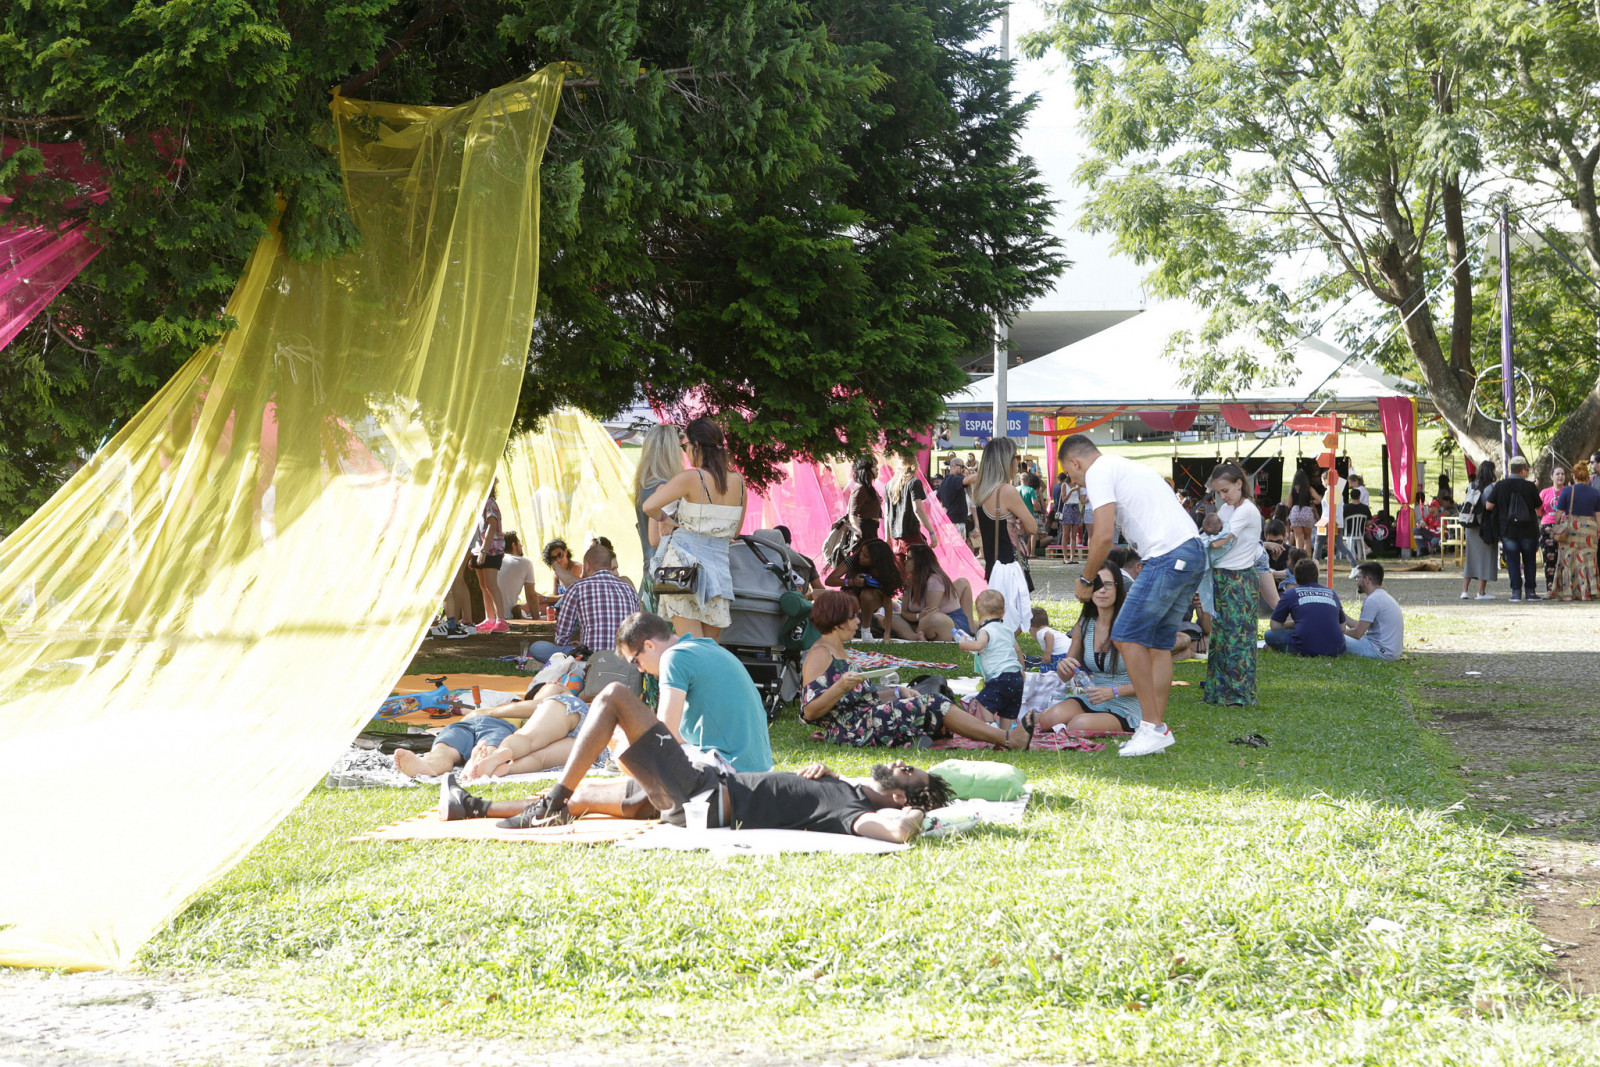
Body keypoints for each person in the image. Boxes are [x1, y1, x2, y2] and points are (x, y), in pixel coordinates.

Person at [1058, 434, 1205, 757]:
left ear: (1075, 462)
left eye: (1071, 476)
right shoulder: (1124, 467)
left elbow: (1104, 535)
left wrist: (1086, 578)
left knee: (1124, 635)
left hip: (1167, 555)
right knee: (1158, 644)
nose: (1076, 483)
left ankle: (1151, 727)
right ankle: (1152, 729)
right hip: (1190, 552)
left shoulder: (1097, 472)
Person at [800, 591, 1030, 750]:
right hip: (850, 729)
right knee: (934, 704)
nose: (857, 622)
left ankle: (913, 737)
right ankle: (1007, 739)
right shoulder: (820, 653)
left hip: (862, 719)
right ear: (838, 620)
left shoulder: (838, 650)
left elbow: (861, 698)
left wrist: (898, 692)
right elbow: (810, 712)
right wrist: (840, 687)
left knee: (931, 701)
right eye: (852, 617)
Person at [615, 611, 773, 771]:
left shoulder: (673, 658)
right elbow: (682, 735)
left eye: (636, 661)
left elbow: (663, 735)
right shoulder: (708, 647)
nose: (640, 669)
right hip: (759, 770)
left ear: (649, 645)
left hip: (730, 771)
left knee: (624, 750)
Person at [642, 417, 747, 639]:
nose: (685, 452)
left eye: (685, 445)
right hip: (718, 570)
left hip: (681, 566)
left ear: (697, 446)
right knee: (709, 648)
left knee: (689, 645)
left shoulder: (692, 477)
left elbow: (649, 506)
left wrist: (665, 520)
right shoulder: (739, 482)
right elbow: (734, 532)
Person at [398, 682, 604, 780]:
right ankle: (497, 767)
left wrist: (491, 711)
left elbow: (537, 704)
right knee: (537, 759)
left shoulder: (555, 693)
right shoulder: (545, 705)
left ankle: (495, 757)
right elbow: (537, 705)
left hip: (501, 726)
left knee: (526, 741)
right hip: (591, 745)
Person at [1037, 566, 1143, 734]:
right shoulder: (1085, 625)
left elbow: (1149, 683)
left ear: (1118, 588)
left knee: (1078, 725)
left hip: (1126, 703)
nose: (1101, 590)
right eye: (1096, 584)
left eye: (1108, 585)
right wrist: (1063, 666)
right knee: (1047, 720)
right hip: (1094, 697)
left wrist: (1113, 692)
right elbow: (1065, 676)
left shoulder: (1130, 627)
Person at [1202, 463, 1261, 707]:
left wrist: (1203, 539)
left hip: (1239, 581)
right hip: (1222, 577)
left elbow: (1219, 540)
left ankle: (1239, 695)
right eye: (1218, 492)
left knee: (1238, 638)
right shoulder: (1227, 508)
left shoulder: (1246, 510)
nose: (1223, 497)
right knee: (1221, 637)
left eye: (1226, 490)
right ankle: (1218, 691)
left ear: (1239, 484)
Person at [527, 541, 642, 663]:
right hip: (625, 662)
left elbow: (561, 639)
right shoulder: (629, 589)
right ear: (610, 566)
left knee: (537, 647)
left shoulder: (577, 588)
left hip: (589, 661)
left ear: (587, 566)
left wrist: (579, 646)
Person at [971, 437, 1036, 632]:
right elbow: (1032, 527)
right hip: (1010, 561)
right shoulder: (1006, 491)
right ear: (1006, 460)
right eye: (1016, 456)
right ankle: (1006, 656)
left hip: (994, 561)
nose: (1018, 461)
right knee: (1013, 620)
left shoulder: (981, 491)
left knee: (999, 617)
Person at [956, 589, 1029, 726]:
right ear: (1003, 612)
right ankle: (1005, 736)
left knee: (983, 702)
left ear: (978, 612)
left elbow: (979, 645)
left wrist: (964, 644)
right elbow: (1018, 651)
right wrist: (1022, 670)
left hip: (999, 676)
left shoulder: (985, 630)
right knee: (1007, 712)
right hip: (1016, 677)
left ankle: (990, 725)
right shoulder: (1007, 630)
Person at [634, 422, 683, 607]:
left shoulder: (644, 485)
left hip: (650, 572)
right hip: (666, 575)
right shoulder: (664, 487)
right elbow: (656, 538)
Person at [1484, 456, 1544, 602]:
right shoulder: (1530, 486)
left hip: (1507, 530)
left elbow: (1488, 506)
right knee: (1529, 560)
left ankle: (1515, 592)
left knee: (1512, 561)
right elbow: (1538, 506)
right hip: (1528, 530)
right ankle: (1530, 592)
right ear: (1523, 469)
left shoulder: (1500, 485)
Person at [1264, 559, 1347, 657]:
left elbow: (1275, 625)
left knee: (1269, 634)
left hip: (1305, 648)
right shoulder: (1332, 593)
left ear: (1295, 577)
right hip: (1337, 649)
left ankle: (1278, 648)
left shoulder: (1290, 594)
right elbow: (1342, 627)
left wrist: (1294, 624)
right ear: (1317, 575)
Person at [891, 543, 973, 641]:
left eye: (909, 558)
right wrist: (917, 616)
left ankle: (915, 632)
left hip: (950, 621)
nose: (905, 561)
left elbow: (930, 614)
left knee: (933, 619)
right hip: (919, 621)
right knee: (891, 617)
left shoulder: (934, 579)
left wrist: (917, 618)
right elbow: (904, 612)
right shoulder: (909, 583)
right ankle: (914, 637)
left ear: (920, 561)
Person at [825, 537, 903, 639]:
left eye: (865, 556)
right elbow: (829, 580)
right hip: (851, 591)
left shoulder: (886, 572)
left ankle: (865, 630)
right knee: (849, 600)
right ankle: (843, 630)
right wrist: (851, 582)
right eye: (861, 552)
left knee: (867, 595)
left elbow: (887, 602)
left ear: (875, 560)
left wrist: (887, 634)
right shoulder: (854, 559)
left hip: (872, 597)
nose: (860, 556)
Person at [1551, 462, 1600, 601]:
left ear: (1573, 476)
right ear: (1587, 476)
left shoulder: (1567, 490)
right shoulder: (1595, 492)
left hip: (1571, 529)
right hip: (1589, 529)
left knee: (1567, 559)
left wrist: (1558, 525)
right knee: (1588, 560)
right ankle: (1586, 593)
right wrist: (1598, 531)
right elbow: (1598, 515)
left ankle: (1568, 593)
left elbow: (1559, 513)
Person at [468, 481, 508, 633]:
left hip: (491, 550)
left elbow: (492, 525)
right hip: (480, 550)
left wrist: (484, 550)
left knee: (491, 585)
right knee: (484, 586)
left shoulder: (490, 503)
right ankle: (490, 618)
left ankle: (501, 620)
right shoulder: (480, 504)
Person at [1342, 561, 1404, 660]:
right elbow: (1362, 627)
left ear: (1367, 580)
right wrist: (1343, 616)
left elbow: (1358, 633)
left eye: (1358, 577)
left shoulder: (1372, 600)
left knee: (1332, 636)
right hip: (1391, 651)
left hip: (1380, 651)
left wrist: (1339, 631)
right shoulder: (1382, 596)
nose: (1356, 581)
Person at [884, 455, 940, 559]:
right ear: (915, 466)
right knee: (921, 570)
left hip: (896, 538)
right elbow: (918, 509)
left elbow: (887, 513)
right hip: (911, 535)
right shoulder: (914, 482)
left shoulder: (889, 485)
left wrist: (887, 537)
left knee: (901, 572)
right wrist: (931, 531)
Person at [1457, 461, 1499, 600]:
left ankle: (1464, 591)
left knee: (1471, 558)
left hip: (1470, 524)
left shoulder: (1471, 485)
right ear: (1491, 471)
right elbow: (1490, 506)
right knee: (1485, 558)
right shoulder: (1492, 487)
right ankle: (1481, 592)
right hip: (1485, 526)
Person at [495, 532, 542, 619]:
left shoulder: (494, 561)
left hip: (490, 617)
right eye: (520, 543)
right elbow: (531, 596)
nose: (521, 546)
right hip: (508, 617)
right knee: (523, 612)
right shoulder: (525, 563)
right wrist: (537, 620)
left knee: (522, 611)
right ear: (514, 545)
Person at [1539, 466, 1569, 595]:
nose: (1560, 476)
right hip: (1547, 527)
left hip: (1564, 528)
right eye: (1557, 474)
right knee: (1549, 560)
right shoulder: (1545, 492)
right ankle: (1550, 589)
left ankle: (1564, 589)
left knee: (1564, 559)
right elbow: (1539, 511)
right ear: (1551, 477)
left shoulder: (1568, 491)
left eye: (1562, 474)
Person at [847, 456, 884, 543]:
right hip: (864, 531)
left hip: (872, 529)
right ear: (866, 469)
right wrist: (857, 530)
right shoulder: (860, 488)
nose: (877, 469)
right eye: (874, 466)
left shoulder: (868, 487)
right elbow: (852, 514)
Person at [936, 456, 971, 534]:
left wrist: (942, 510)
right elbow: (968, 480)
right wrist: (983, 473)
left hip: (948, 521)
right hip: (956, 523)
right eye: (962, 466)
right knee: (959, 546)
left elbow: (937, 498)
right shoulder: (954, 479)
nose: (964, 469)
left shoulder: (945, 481)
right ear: (954, 466)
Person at [542, 538, 582, 603]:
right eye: (554, 558)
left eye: (560, 555)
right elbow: (554, 597)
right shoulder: (556, 574)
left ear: (565, 552)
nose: (558, 560)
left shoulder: (576, 567)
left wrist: (544, 598)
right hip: (560, 605)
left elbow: (572, 594)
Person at [1288, 468, 1317, 552]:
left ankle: (1298, 558)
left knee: (1298, 538)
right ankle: (1307, 558)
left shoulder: (1292, 489)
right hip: (1307, 512)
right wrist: (1311, 501)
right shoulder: (1309, 489)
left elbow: (1289, 505)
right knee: (1307, 539)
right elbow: (1319, 499)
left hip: (1296, 513)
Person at [1054, 472, 1084, 553]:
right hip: (1067, 508)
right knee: (1065, 535)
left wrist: (1078, 491)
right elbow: (1064, 500)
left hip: (1076, 508)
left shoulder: (1077, 485)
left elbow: (1080, 500)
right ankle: (1065, 557)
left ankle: (1072, 557)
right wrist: (1071, 491)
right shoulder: (1064, 485)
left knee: (1073, 535)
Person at [1412, 490, 1440, 555]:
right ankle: (1423, 549)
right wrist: (1419, 525)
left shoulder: (1440, 516)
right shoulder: (1429, 515)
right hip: (1430, 533)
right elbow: (1423, 521)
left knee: (1434, 541)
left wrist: (1427, 527)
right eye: (1429, 507)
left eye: (1431, 507)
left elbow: (1438, 532)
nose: (1429, 509)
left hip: (1437, 535)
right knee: (1416, 530)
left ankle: (1439, 549)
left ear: (1436, 508)